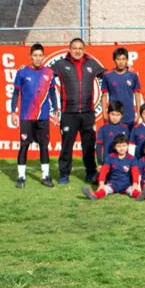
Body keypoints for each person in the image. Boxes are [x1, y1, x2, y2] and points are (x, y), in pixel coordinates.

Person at [52, 38, 106, 185]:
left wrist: (127, 70)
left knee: (89, 145)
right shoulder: (61, 64)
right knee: (67, 146)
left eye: (80, 48)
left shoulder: (91, 64)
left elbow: (107, 76)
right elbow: (44, 76)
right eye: (74, 48)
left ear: (84, 49)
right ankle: (64, 174)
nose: (77, 51)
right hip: (69, 113)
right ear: (70, 49)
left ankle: (90, 172)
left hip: (88, 113)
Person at [12, 43, 58, 188]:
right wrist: (13, 111)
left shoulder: (49, 73)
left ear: (43, 56)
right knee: (24, 145)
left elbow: (52, 93)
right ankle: (21, 177)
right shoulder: (22, 72)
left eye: (40, 55)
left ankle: (45, 176)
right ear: (30, 56)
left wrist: (56, 109)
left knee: (44, 146)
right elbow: (15, 93)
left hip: (43, 117)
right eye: (35, 55)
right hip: (26, 117)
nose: (38, 58)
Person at [81, 134, 145, 201]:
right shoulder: (110, 157)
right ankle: (94, 195)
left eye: (124, 145)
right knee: (104, 189)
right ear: (115, 147)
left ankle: (142, 196)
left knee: (133, 191)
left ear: (127, 146)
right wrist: (101, 184)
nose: (121, 148)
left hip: (127, 185)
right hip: (113, 184)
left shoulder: (132, 158)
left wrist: (135, 184)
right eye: (119, 146)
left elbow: (135, 172)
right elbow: (104, 171)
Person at [101, 47, 142, 130]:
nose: (121, 62)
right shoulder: (107, 75)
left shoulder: (133, 75)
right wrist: (104, 113)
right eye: (118, 59)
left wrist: (138, 113)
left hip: (129, 115)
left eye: (123, 59)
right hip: (114, 115)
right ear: (114, 60)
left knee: (128, 141)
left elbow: (137, 95)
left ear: (127, 60)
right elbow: (104, 96)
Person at [96, 101, 129, 170]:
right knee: (100, 179)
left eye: (118, 115)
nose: (115, 117)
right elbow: (99, 147)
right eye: (113, 114)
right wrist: (100, 163)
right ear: (108, 114)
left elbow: (127, 147)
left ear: (122, 115)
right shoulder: (103, 128)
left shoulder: (125, 128)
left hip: (122, 163)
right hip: (107, 162)